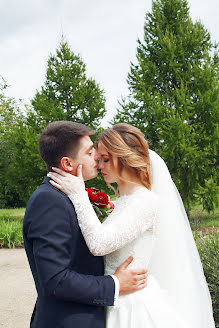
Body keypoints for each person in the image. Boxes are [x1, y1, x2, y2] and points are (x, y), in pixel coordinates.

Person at [49, 123, 216, 328]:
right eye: (99, 159)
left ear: (125, 158)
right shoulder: (122, 202)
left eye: (106, 159)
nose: (99, 165)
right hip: (114, 300)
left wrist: (79, 195)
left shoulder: (145, 201)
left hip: (132, 308)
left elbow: (99, 244)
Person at [23, 121, 148, 328]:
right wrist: (114, 284)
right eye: (90, 153)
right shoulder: (49, 201)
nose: (97, 159)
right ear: (67, 164)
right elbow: (56, 279)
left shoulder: (66, 196)